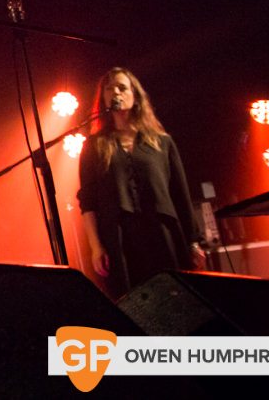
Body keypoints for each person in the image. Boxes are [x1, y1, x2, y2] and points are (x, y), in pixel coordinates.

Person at [78, 67, 205, 299]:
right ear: (103, 97)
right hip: (120, 239)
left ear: (135, 95)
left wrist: (193, 241)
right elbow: (88, 202)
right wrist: (96, 246)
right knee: (133, 305)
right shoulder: (93, 146)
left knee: (173, 302)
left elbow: (180, 194)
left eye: (122, 87)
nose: (115, 92)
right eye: (109, 88)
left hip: (162, 233)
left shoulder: (161, 142)